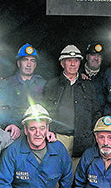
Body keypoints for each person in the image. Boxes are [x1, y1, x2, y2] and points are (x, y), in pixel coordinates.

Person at [43, 45, 101, 173]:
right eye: (69, 60)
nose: (73, 63)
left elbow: (96, 112)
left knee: (78, 177)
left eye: (76, 60)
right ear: (62, 63)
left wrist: (92, 135)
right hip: (58, 138)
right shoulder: (52, 85)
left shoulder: (88, 86)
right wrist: (48, 130)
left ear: (80, 63)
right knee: (56, 175)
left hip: (82, 139)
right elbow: (45, 111)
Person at [3, 43, 46, 116]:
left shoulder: (43, 84)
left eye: (32, 61)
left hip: (36, 124)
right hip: (15, 125)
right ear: (19, 63)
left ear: (35, 65)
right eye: (25, 60)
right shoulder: (8, 84)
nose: (29, 64)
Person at [80, 41, 106, 109]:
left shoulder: (107, 77)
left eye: (99, 56)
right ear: (87, 57)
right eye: (93, 55)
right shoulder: (75, 74)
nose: (96, 58)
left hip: (101, 117)